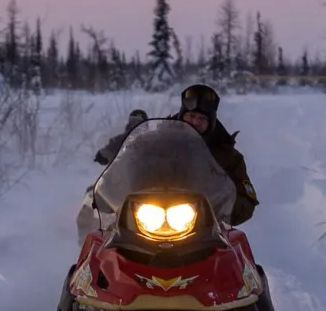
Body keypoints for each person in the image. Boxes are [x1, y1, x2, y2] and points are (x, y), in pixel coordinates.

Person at [92, 86, 258, 224]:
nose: (195, 122)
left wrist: (224, 205)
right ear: (181, 115)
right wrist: (109, 191)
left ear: (211, 121)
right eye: (191, 116)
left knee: (236, 249)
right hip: (146, 220)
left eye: (201, 118)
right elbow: (126, 165)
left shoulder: (228, 156)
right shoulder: (154, 141)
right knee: (102, 243)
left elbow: (247, 202)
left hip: (205, 228)